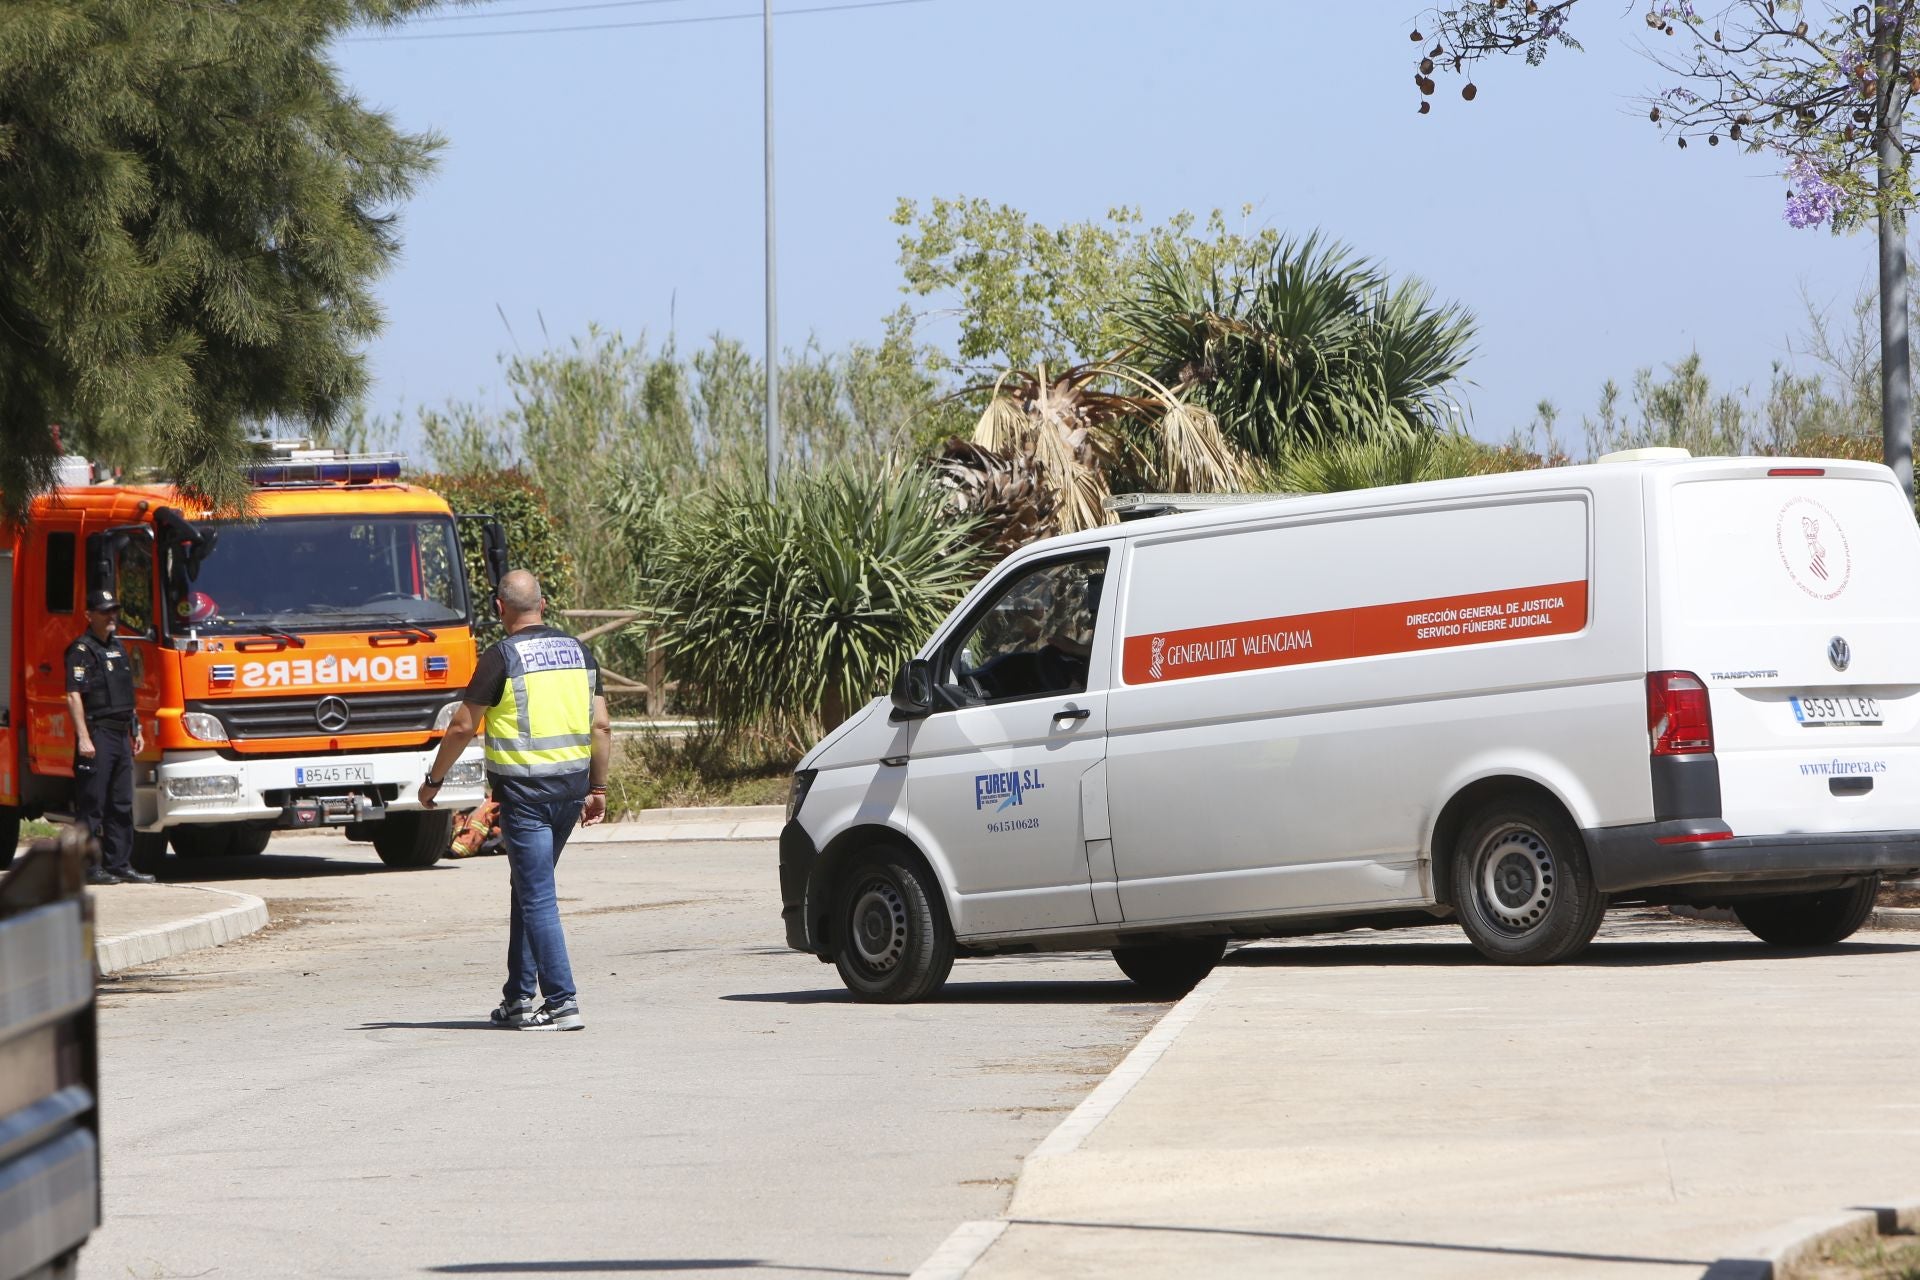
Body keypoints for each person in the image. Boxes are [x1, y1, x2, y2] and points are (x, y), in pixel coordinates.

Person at [421, 570, 611, 1031]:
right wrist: (598, 788)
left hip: (525, 797)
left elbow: (464, 726)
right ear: (543, 605)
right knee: (528, 889)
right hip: (569, 793)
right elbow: (601, 726)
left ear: (498, 609)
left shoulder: (501, 656)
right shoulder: (579, 652)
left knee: (538, 896)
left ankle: (562, 1001)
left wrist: (435, 779)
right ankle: (518, 998)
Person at [66, 589, 157, 885]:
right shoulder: (81, 650)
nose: (111, 617)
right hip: (98, 732)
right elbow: (73, 695)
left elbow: (125, 695)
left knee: (121, 802)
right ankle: (88, 868)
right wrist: (83, 737)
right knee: (92, 803)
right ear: (89, 615)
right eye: (105, 612)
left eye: (114, 611)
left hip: (121, 734)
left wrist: (136, 727)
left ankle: (119, 864)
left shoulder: (117, 647)